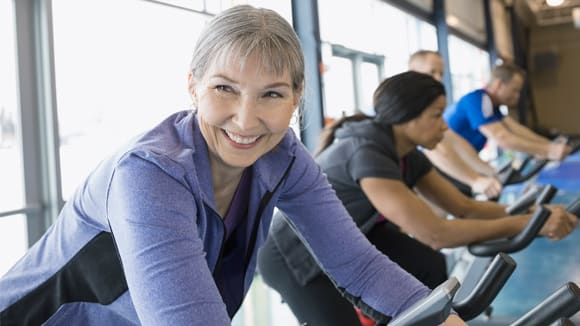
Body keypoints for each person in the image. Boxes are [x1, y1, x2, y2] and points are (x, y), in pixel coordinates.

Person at [0, 5, 466, 326]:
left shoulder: (282, 157)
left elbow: (358, 265)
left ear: (295, 100)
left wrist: (442, 316)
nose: (246, 120)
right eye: (225, 89)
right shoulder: (147, 176)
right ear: (193, 86)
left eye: (271, 95)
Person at [257, 71, 577, 326]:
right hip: (295, 258)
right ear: (407, 117)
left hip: (355, 238)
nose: (444, 125)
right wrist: (529, 224)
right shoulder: (368, 151)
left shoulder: (408, 153)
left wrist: (534, 214)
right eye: (437, 115)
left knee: (427, 265)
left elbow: (463, 207)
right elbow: (435, 233)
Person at [435, 62, 571, 174]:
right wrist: (547, 150)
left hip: (461, 165)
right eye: (514, 90)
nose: (517, 96)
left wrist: (549, 145)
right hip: (445, 165)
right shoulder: (477, 100)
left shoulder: (492, 106)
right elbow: (502, 137)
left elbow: (516, 129)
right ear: (498, 84)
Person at [409, 50, 502, 198]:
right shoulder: (410, 105)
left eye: (441, 74)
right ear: (413, 71)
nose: (438, 79)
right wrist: (475, 180)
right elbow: (436, 149)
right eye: (432, 72)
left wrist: (488, 170)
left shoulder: (428, 104)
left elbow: (454, 141)